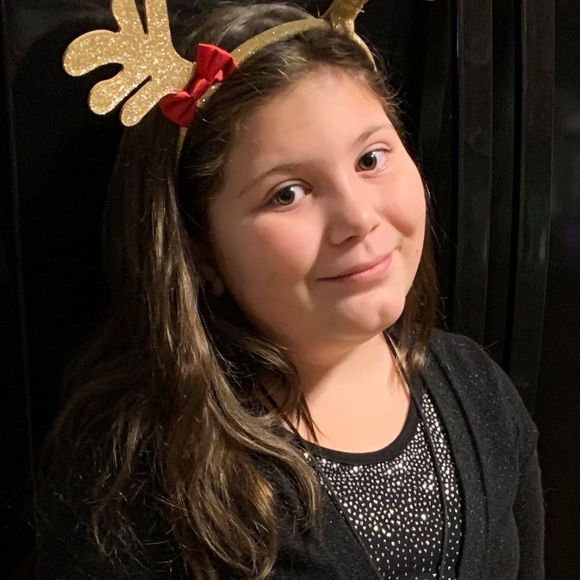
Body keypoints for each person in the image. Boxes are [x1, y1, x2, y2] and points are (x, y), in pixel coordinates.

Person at [35, 1, 545, 578]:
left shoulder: (482, 391)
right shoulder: (139, 478)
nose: (359, 218)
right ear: (200, 248)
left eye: (370, 158)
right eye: (287, 193)